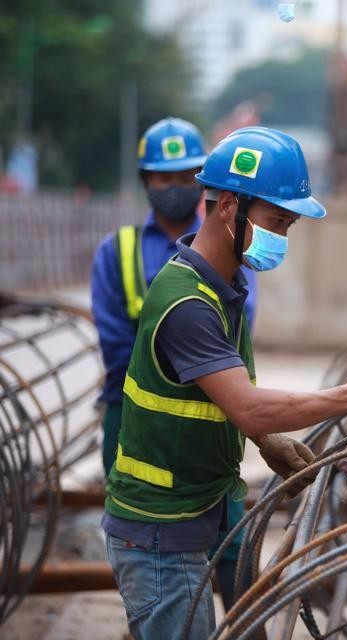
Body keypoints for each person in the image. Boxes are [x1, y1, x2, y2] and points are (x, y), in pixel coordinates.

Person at [102, 126, 347, 640]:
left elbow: (217, 395)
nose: (282, 236)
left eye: (288, 225)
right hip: (159, 534)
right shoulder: (189, 304)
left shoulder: (225, 287)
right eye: (276, 221)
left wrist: (265, 441)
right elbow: (248, 406)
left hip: (196, 512)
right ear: (228, 207)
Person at [90, 117, 257, 610]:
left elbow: (239, 326)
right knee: (149, 543)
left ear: (204, 184)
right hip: (133, 415)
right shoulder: (117, 251)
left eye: (187, 176)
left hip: (218, 415)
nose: (177, 188)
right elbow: (118, 346)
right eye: (165, 179)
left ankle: (243, 620)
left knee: (232, 545)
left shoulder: (229, 243)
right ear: (147, 182)